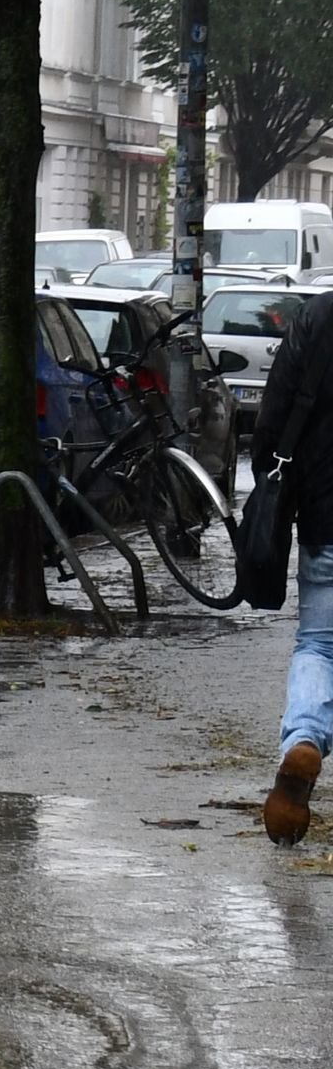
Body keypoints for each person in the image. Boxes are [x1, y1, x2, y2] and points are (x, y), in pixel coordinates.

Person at [252, 294, 333, 842]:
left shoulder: (318, 317)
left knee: (319, 644)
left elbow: (276, 410)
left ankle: (303, 739)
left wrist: (269, 479)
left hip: (327, 510)